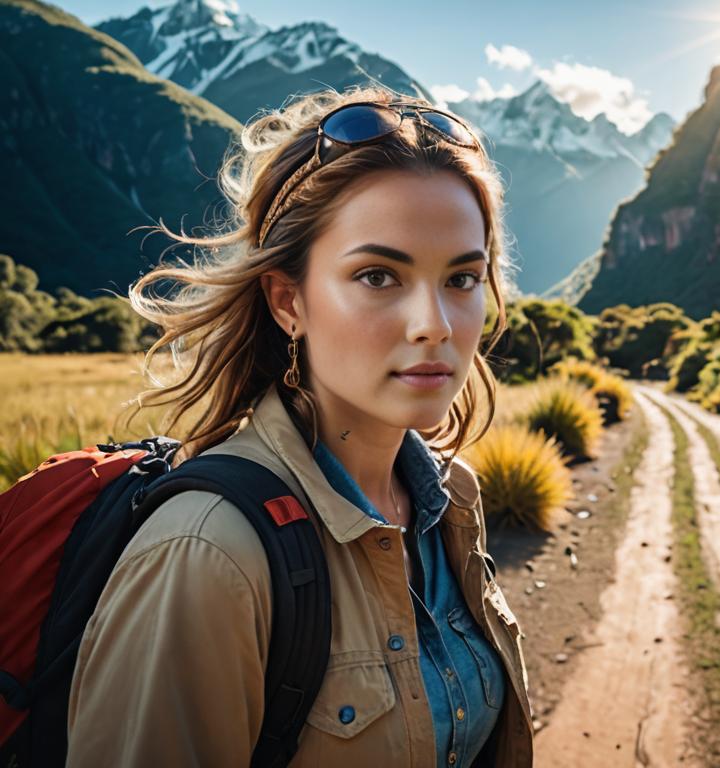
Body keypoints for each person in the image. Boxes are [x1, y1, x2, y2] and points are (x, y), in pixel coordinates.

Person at [65, 85, 534, 767]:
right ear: (289, 302)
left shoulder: (450, 496)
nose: (434, 324)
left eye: (462, 279)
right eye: (378, 276)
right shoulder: (208, 556)